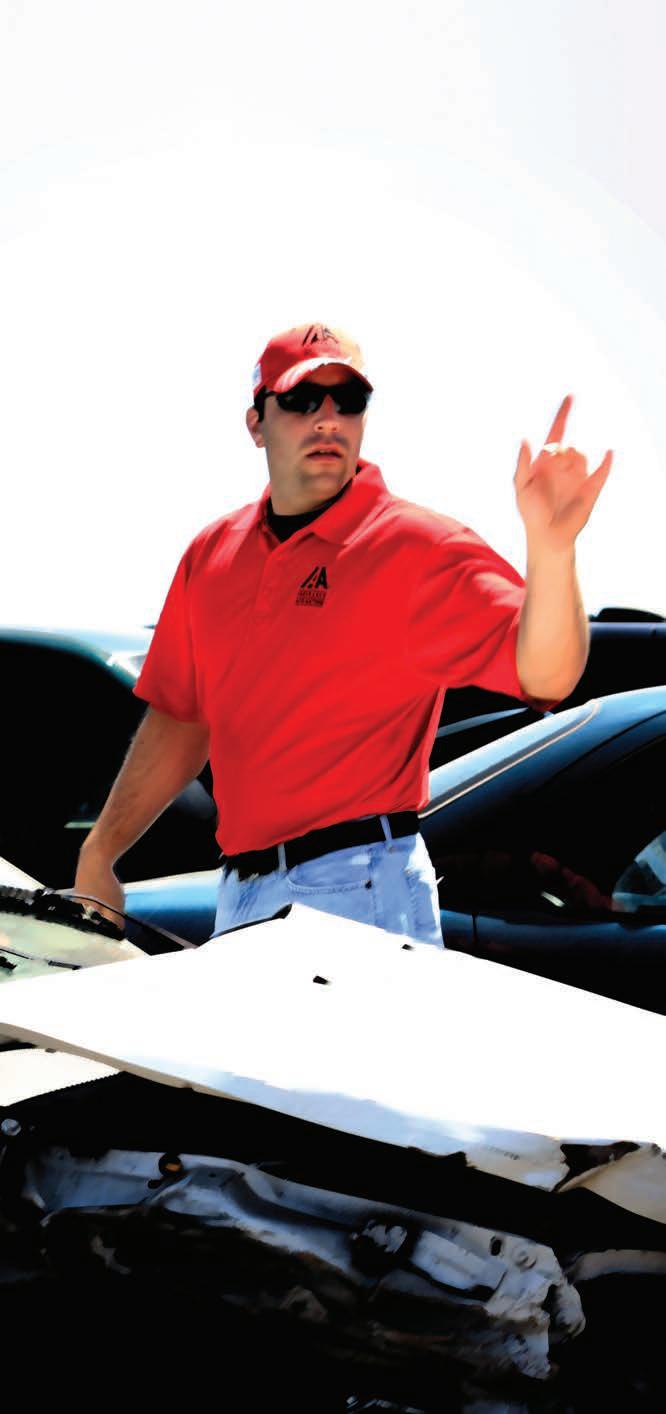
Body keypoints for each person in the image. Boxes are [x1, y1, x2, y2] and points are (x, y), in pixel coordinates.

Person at [73, 323, 612, 946]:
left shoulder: (417, 547)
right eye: (303, 400)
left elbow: (548, 676)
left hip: (360, 890)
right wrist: (101, 849)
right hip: (239, 894)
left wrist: (553, 549)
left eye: (348, 400)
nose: (328, 418)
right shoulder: (212, 555)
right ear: (256, 424)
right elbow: (182, 717)